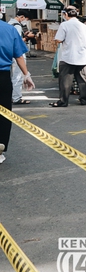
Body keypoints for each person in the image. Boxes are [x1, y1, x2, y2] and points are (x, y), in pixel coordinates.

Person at [0, 18, 35, 163]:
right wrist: (26, 75)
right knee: (4, 112)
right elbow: (19, 55)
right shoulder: (9, 29)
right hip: (2, 77)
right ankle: (1, 146)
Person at [51, 7, 86, 107]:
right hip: (82, 56)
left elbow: (59, 39)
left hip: (68, 56)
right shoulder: (83, 26)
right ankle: (84, 99)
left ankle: (63, 101)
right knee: (83, 80)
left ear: (66, 14)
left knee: (65, 80)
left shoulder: (64, 24)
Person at [9, 11, 36, 105]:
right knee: (18, 76)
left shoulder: (9, 23)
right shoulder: (17, 26)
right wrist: (27, 37)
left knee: (14, 76)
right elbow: (17, 41)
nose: (26, 21)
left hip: (10, 53)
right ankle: (16, 98)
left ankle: (13, 96)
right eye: (26, 19)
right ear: (22, 17)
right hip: (17, 54)